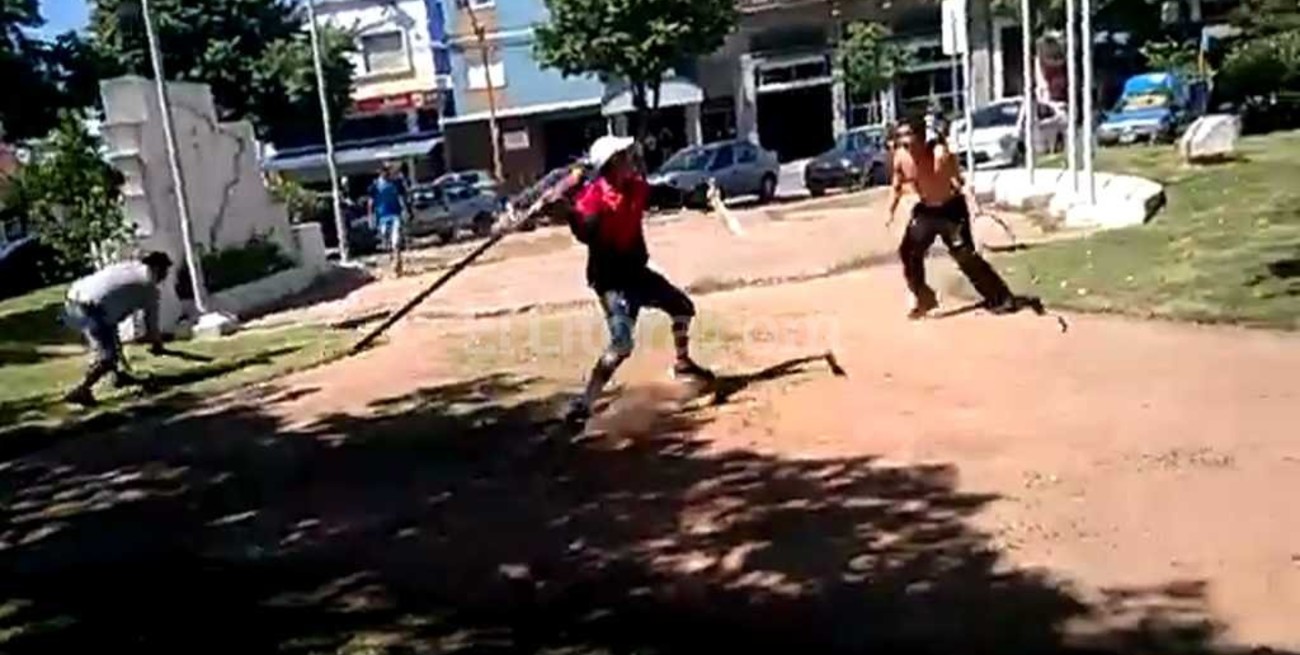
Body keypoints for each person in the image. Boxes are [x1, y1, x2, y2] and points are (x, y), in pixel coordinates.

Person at [546, 135, 715, 425]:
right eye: (625, 155)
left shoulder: (635, 187)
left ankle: (683, 363)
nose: (631, 159)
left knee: (683, 308)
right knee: (622, 344)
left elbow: (660, 195)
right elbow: (586, 231)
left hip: (637, 273)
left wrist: (691, 197)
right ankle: (585, 402)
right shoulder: (594, 197)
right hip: (611, 281)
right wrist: (568, 213)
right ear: (612, 164)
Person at [887, 114, 1016, 319]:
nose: (904, 142)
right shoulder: (900, 157)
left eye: (908, 135)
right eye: (899, 136)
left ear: (921, 136)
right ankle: (923, 296)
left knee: (964, 255)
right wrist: (890, 212)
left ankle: (1001, 298)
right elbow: (897, 185)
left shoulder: (940, 154)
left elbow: (958, 180)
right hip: (926, 210)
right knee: (908, 251)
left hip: (951, 209)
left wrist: (972, 203)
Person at [61, 251, 174, 407]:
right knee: (107, 356)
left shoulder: (130, 266)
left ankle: (119, 377)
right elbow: (151, 328)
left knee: (111, 336)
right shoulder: (149, 288)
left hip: (74, 297)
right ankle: (81, 390)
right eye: (165, 270)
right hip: (91, 308)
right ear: (158, 269)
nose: (166, 275)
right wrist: (157, 345)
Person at [368, 161, 409, 274]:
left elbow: (402, 198)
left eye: (388, 171)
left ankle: (397, 261)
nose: (386, 173)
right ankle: (392, 258)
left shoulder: (396, 183)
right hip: (382, 217)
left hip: (395, 214)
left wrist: (405, 211)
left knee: (396, 240)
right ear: (380, 172)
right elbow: (371, 203)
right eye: (384, 171)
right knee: (386, 240)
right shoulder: (375, 186)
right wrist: (371, 217)